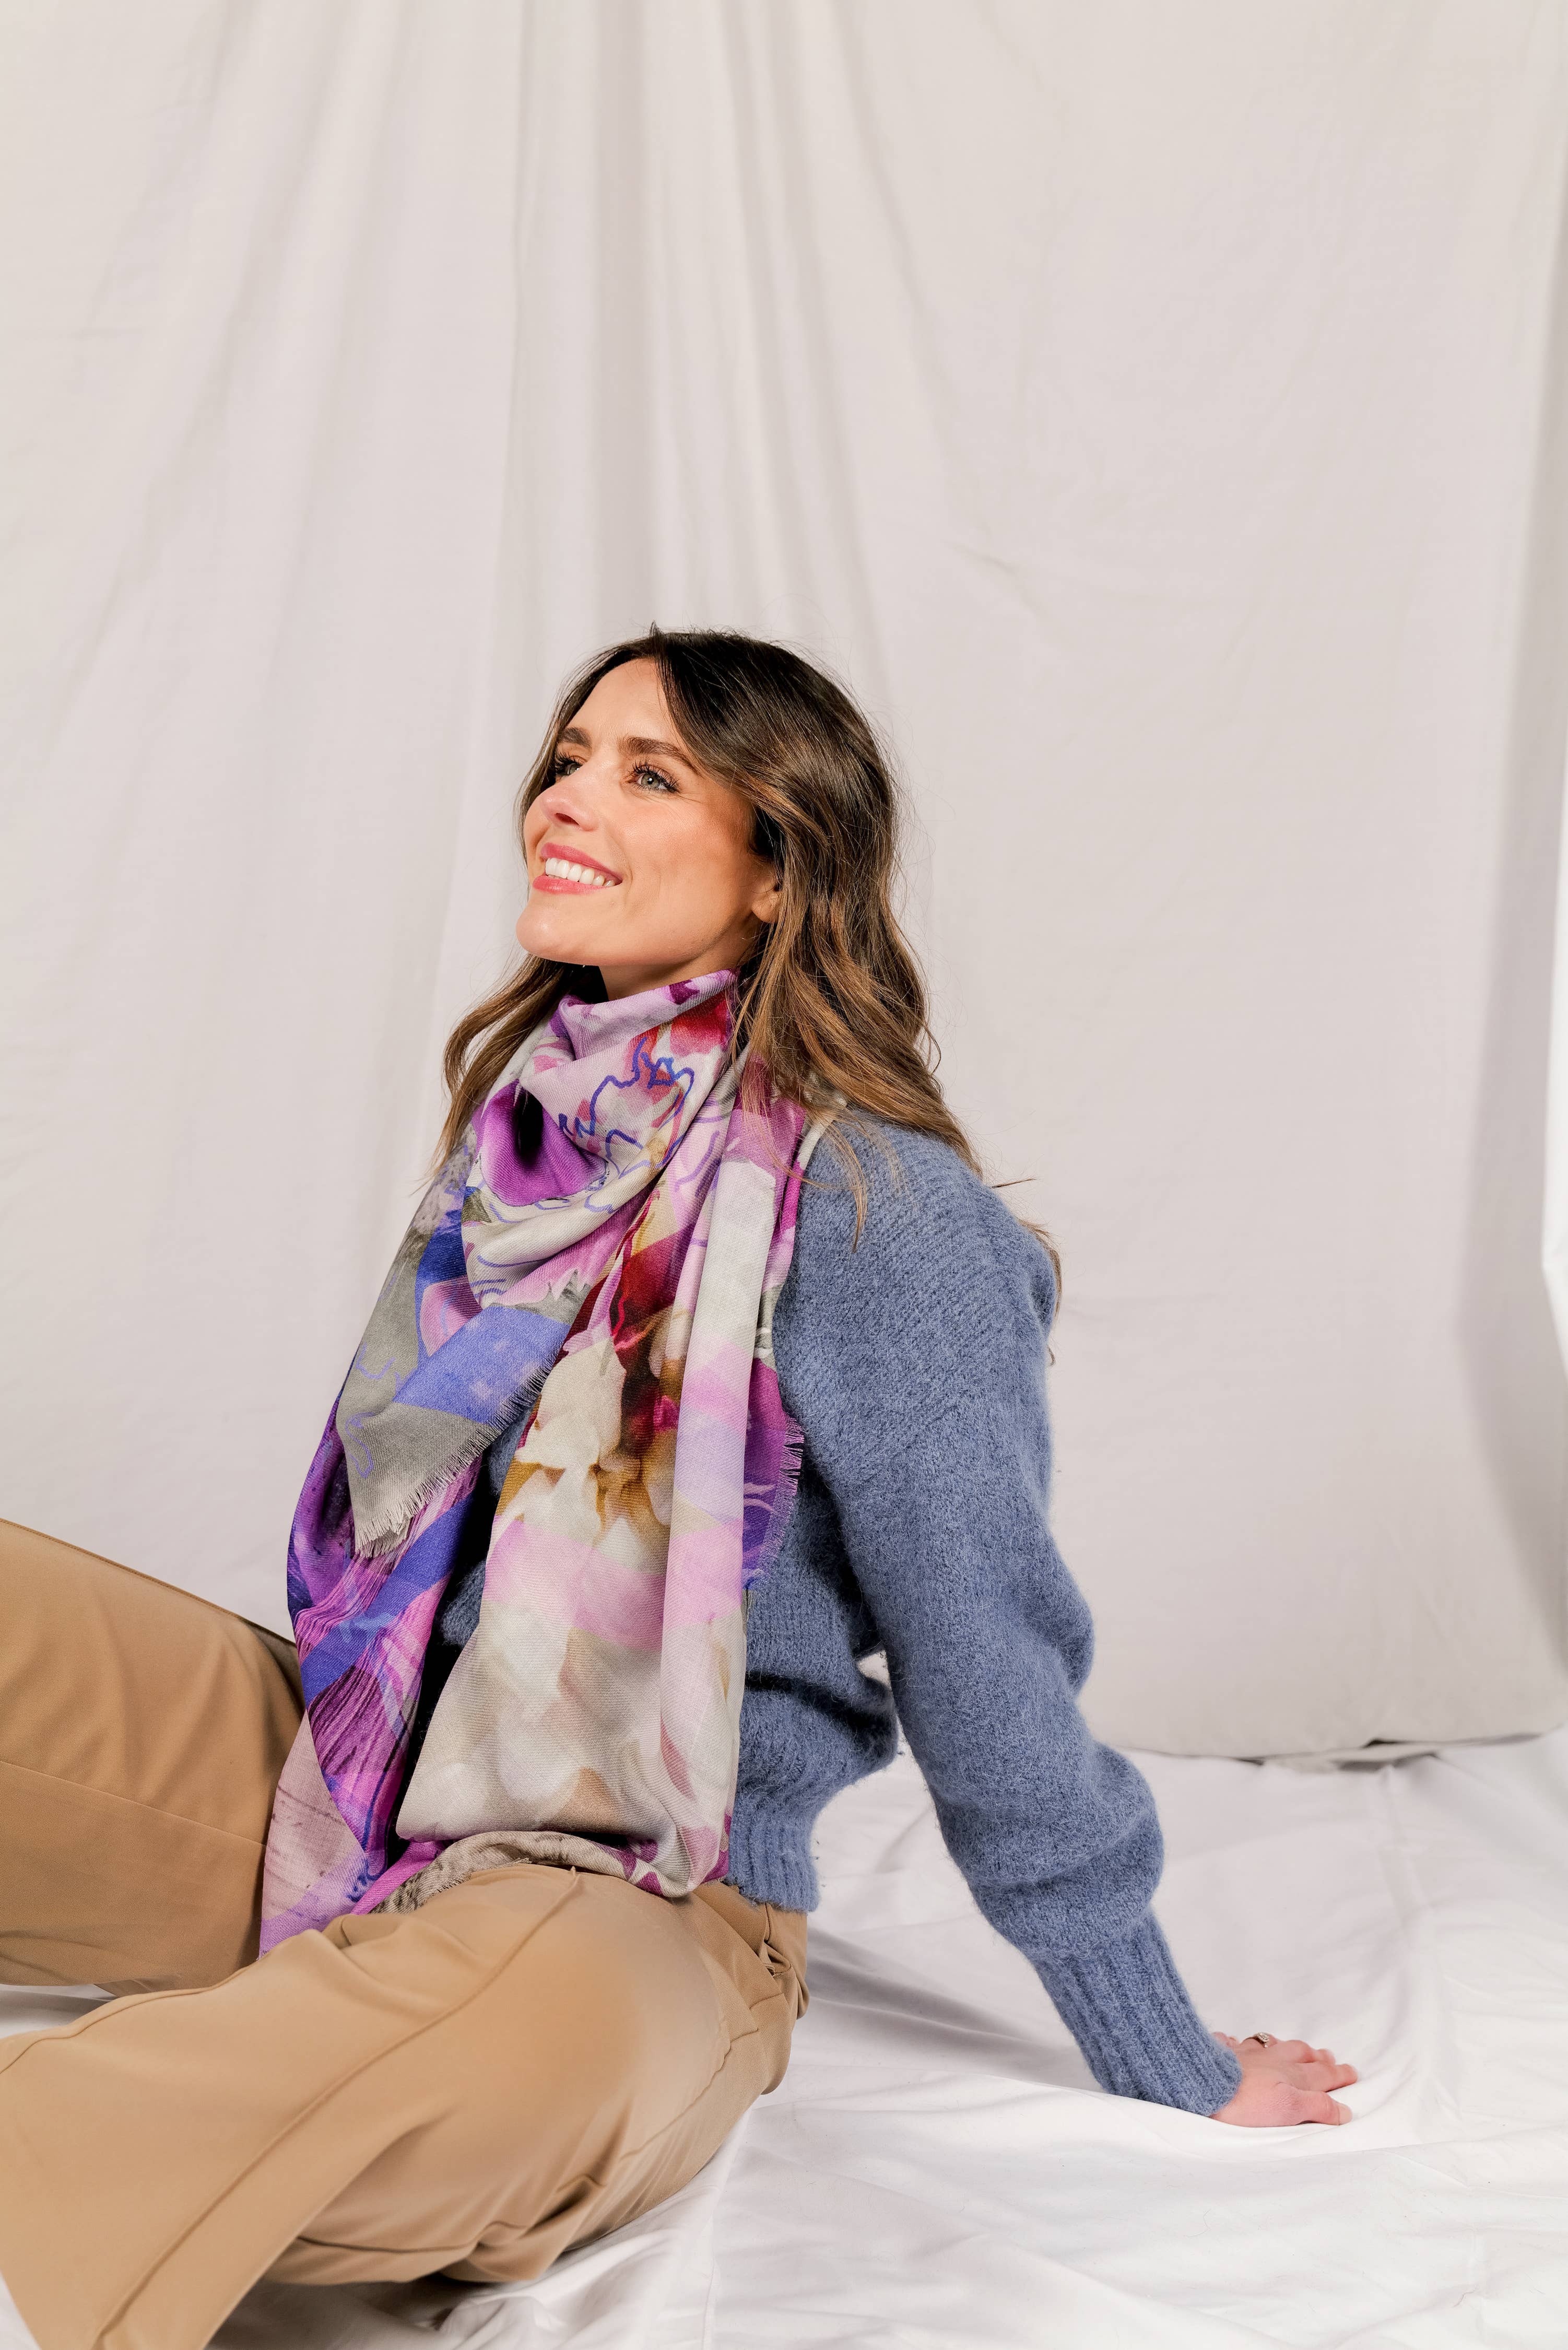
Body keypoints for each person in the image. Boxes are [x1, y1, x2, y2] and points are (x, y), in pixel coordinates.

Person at [0, 630, 1356, 2350]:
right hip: (368, 1794)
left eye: (649, 774)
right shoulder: (545, 1131)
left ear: (781, 867)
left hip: (648, 1894)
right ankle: (344, 1988)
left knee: (483, 2035)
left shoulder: (884, 1215)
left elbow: (987, 1662)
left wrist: (1160, 2040)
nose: (568, 799)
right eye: (570, 756)